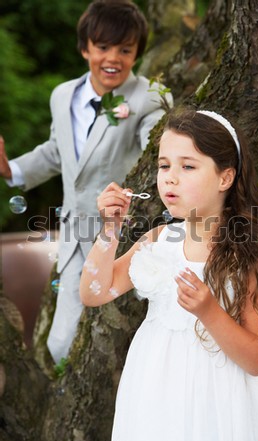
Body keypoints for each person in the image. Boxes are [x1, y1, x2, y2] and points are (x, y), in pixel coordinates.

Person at [79, 107, 258, 441]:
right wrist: (111, 228)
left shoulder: (254, 261)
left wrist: (209, 312)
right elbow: (94, 292)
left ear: (225, 178)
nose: (170, 178)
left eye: (187, 166)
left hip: (219, 397)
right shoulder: (159, 239)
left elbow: (257, 359)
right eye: (164, 165)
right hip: (154, 389)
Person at [0, 0, 173, 364]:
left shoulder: (148, 97)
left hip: (121, 239)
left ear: (137, 53)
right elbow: (55, 152)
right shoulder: (63, 96)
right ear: (85, 48)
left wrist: (167, 159)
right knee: (61, 346)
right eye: (103, 47)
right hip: (74, 237)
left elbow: (155, 145)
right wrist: (10, 170)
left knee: (127, 347)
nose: (114, 58)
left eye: (125, 49)